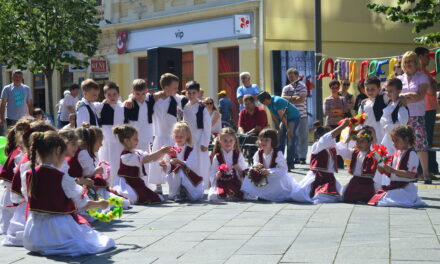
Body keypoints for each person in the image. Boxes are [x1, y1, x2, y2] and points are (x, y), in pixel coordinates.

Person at [22, 130, 115, 256]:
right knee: (101, 241)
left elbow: (27, 198)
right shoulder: (62, 178)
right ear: (58, 150)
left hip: (34, 234)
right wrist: (101, 204)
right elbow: (82, 204)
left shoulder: (28, 174)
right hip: (59, 231)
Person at [3, 121, 55, 247]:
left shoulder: (30, 158)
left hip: (32, 205)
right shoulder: (29, 163)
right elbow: (18, 194)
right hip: (33, 207)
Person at [368, 126, 426, 207]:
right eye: (393, 141)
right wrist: (384, 171)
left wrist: (393, 171)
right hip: (395, 186)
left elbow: (412, 175)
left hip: (405, 188)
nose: (393, 143)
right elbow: (392, 175)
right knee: (377, 197)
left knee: (387, 199)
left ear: (406, 139)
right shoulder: (396, 154)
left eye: (397, 140)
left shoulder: (411, 154)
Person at [112, 125, 170, 205]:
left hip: (136, 182)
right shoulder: (126, 156)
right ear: (126, 141)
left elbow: (152, 158)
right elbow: (146, 159)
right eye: (135, 139)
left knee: (156, 198)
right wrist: (161, 151)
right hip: (126, 182)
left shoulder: (137, 152)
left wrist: (163, 152)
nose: (138, 141)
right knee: (130, 196)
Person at [291, 121, 346, 204]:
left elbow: (343, 145)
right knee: (314, 196)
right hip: (317, 177)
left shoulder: (331, 148)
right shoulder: (317, 146)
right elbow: (328, 137)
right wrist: (342, 126)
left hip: (328, 178)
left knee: (328, 196)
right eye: (332, 138)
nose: (333, 139)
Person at [398, 51, 431, 184]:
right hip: (402, 116)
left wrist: (404, 97)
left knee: (420, 146)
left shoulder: (422, 77)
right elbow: (393, 95)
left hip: (416, 116)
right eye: (405, 61)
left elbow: (420, 96)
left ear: (416, 62)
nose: (408, 64)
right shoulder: (399, 79)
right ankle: (406, 172)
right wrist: (410, 95)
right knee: (402, 144)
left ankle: (426, 174)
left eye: (410, 61)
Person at [241, 128, 298, 202]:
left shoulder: (277, 153)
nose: (263, 142)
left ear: (273, 142)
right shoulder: (258, 153)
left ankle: (272, 195)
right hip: (262, 174)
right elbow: (255, 163)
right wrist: (257, 168)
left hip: (273, 175)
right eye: (261, 140)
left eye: (266, 140)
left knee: (276, 178)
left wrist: (269, 171)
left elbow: (283, 169)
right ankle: (259, 194)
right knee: (249, 175)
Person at [149, 73, 183, 194]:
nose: (177, 89)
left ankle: (175, 186)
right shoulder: (154, 99)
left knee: (173, 160)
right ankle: (158, 187)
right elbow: (137, 98)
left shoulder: (176, 99)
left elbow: (187, 101)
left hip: (172, 137)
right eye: (175, 87)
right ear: (166, 87)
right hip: (159, 135)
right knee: (157, 160)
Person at [0, 118, 33, 234]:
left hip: (11, 195)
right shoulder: (22, 154)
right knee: (16, 230)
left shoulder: (18, 150)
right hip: (15, 196)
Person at [160, 122, 204, 201]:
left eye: (181, 136)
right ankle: (178, 192)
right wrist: (165, 164)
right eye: (176, 136)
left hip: (189, 174)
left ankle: (184, 190)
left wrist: (179, 162)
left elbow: (193, 163)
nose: (179, 138)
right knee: (177, 171)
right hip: (174, 175)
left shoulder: (190, 149)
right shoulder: (171, 149)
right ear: (173, 136)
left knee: (180, 169)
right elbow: (167, 164)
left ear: (187, 136)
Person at [257, 91, 300, 171]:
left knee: (290, 140)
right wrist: (278, 128)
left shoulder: (277, 101)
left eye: (263, 102)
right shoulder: (268, 103)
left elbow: (282, 117)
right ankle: (279, 161)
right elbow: (274, 117)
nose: (263, 104)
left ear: (267, 99)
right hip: (284, 119)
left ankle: (290, 164)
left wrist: (288, 130)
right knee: (279, 138)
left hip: (293, 118)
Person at [336, 127, 378, 204]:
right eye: (357, 142)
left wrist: (373, 134)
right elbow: (340, 149)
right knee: (347, 198)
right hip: (355, 182)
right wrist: (348, 138)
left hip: (367, 184)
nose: (359, 144)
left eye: (362, 141)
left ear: (369, 143)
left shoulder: (374, 154)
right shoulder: (354, 153)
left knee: (368, 200)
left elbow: (377, 149)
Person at [182, 81, 211, 189]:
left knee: (201, 162)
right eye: (189, 93)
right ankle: (190, 184)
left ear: (198, 93)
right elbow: (184, 123)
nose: (191, 95)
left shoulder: (202, 108)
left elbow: (207, 127)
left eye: (193, 93)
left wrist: (205, 142)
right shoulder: (185, 107)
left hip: (199, 139)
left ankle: (202, 185)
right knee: (190, 162)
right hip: (188, 139)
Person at [95, 82, 124, 186]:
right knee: (106, 164)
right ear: (105, 96)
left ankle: (117, 186)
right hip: (106, 142)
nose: (112, 97)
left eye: (114, 94)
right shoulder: (101, 107)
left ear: (118, 94)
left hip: (119, 142)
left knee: (118, 164)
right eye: (109, 95)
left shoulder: (123, 107)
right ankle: (106, 185)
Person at [415, 47, 439, 175]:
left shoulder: (425, 72)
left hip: (430, 108)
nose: (429, 59)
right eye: (426, 56)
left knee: (427, 138)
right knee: (425, 139)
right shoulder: (421, 73)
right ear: (419, 57)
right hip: (426, 108)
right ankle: (425, 169)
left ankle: (431, 167)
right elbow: (431, 91)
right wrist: (434, 85)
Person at [208, 127, 247, 201]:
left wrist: (238, 169)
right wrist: (217, 175)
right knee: (212, 196)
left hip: (235, 181)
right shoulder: (217, 156)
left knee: (244, 194)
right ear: (220, 141)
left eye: (230, 141)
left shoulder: (238, 155)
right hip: (221, 181)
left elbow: (243, 173)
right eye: (225, 141)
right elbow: (212, 172)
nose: (228, 143)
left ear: (234, 141)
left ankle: (231, 195)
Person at [282, 68, 308, 164]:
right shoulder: (286, 88)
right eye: (289, 77)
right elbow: (283, 99)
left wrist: (290, 99)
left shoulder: (302, 86)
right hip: (291, 116)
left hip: (302, 115)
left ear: (297, 76)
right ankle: (295, 156)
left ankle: (302, 157)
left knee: (302, 136)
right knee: (293, 136)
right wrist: (295, 98)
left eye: (292, 76)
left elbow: (301, 99)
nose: (290, 78)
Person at [380, 78, 409, 155]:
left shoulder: (401, 106)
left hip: (395, 140)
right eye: (387, 90)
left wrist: (387, 126)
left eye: (391, 91)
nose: (388, 93)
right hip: (387, 138)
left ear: (399, 91)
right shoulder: (390, 103)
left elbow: (402, 125)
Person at [358, 76, 389, 144]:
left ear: (379, 89)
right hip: (368, 138)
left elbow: (395, 96)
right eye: (367, 89)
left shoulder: (384, 98)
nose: (370, 91)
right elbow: (360, 121)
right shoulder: (363, 104)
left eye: (372, 89)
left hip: (381, 136)